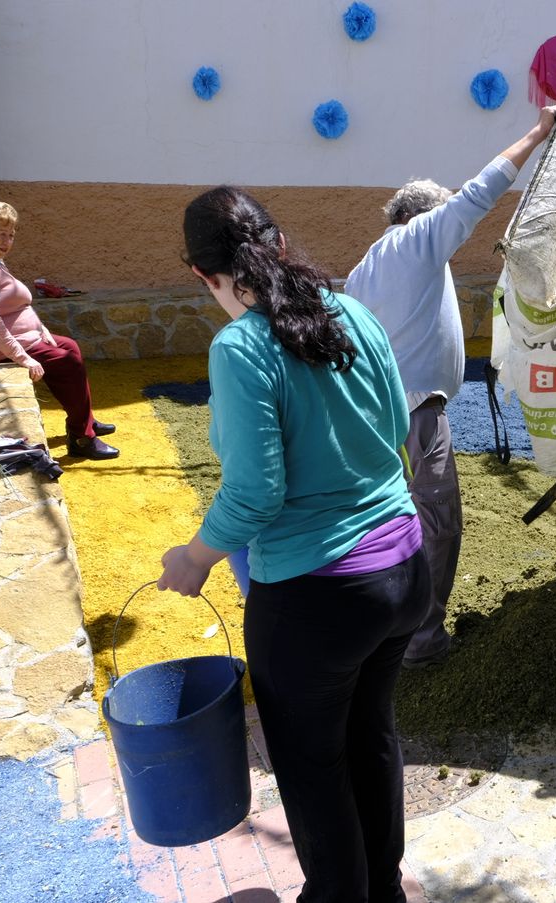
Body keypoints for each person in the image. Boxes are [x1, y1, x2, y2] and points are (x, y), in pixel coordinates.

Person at [159, 187, 427, 902]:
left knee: (314, 765)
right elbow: (399, 425)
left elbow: (255, 493)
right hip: (404, 569)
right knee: (371, 735)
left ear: (200, 273)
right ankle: (382, 888)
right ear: (278, 244)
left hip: (318, 599)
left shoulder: (241, 348)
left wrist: (193, 558)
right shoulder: (357, 314)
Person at [346, 104, 556, 668]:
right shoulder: (418, 239)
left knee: (395, 519)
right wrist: (538, 135)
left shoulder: (368, 265)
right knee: (438, 522)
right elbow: (481, 190)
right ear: (420, 217)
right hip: (415, 411)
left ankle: (386, 625)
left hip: (381, 416)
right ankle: (421, 641)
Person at [0, 200, 119, 460]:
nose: (7, 242)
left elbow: (12, 305)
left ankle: (84, 419)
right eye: (0, 234)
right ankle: (82, 438)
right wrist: (23, 357)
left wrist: (40, 328)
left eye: (11, 235)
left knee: (68, 347)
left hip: (10, 339)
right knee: (66, 359)